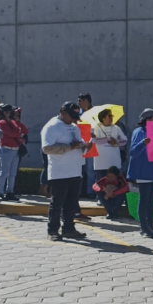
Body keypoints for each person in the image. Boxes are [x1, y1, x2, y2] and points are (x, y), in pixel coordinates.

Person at [40, 102, 91, 241]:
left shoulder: (75, 127)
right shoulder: (51, 126)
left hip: (75, 171)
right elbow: (47, 148)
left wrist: (86, 147)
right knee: (57, 203)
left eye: (76, 117)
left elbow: (78, 146)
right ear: (62, 112)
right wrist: (69, 147)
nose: (74, 120)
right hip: (60, 172)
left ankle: (69, 228)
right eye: (72, 116)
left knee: (71, 203)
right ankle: (52, 230)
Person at [128, 108, 153, 239]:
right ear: (147, 120)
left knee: (151, 200)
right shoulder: (139, 132)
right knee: (144, 200)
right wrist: (143, 143)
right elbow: (133, 152)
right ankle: (143, 227)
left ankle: (150, 226)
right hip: (144, 170)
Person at [0, 105, 24, 202]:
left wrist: (17, 132)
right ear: (5, 112)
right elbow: (13, 133)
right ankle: (0, 193)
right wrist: (18, 133)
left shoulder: (12, 122)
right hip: (6, 149)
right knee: (4, 172)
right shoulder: (1, 123)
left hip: (15, 150)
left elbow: (21, 131)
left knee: (12, 173)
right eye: (9, 112)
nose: (11, 113)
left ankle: (10, 192)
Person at [91, 109, 128, 178]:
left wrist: (116, 143)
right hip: (101, 165)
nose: (112, 118)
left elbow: (125, 140)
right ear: (103, 118)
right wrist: (108, 139)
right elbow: (95, 141)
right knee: (101, 184)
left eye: (112, 116)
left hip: (114, 164)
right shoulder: (97, 128)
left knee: (116, 183)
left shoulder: (116, 128)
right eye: (109, 116)